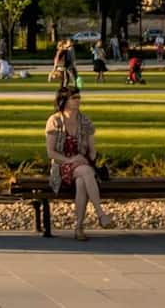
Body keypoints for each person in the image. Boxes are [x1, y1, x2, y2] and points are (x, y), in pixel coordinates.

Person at [46, 86, 110, 240]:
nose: (78, 100)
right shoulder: (55, 121)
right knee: (86, 172)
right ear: (64, 101)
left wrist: (88, 158)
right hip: (61, 166)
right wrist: (71, 160)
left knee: (82, 181)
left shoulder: (85, 121)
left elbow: (92, 151)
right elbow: (51, 153)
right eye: (74, 98)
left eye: (79, 97)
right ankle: (100, 213)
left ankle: (79, 227)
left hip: (82, 164)